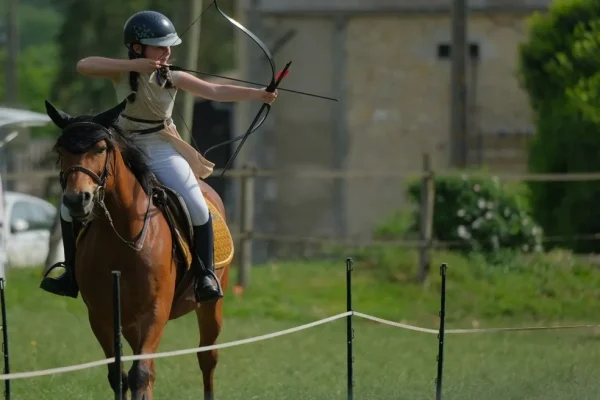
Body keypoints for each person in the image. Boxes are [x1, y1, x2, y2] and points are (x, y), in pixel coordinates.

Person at [39, 10, 277, 303]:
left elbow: (214, 90)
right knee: (68, 207)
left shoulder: (172, 76)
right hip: (123, 148)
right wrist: (135, 65)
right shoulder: (121, 71)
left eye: (169, 46)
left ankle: (204, 274)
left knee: (197, 206)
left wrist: (257, 94)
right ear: (138, 48)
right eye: (160, 46)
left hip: (161, 148)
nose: (167, 52)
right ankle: (71, 272)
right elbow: (84, 65)